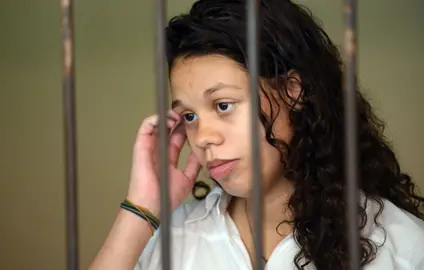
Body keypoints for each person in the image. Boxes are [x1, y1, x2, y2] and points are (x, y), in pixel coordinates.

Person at [88, 0, 424, 269]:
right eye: (189, 115)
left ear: (293, 89)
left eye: (223, 105)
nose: (202, 137)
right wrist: (140, 210)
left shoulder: (402, 248)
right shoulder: (173, 236)